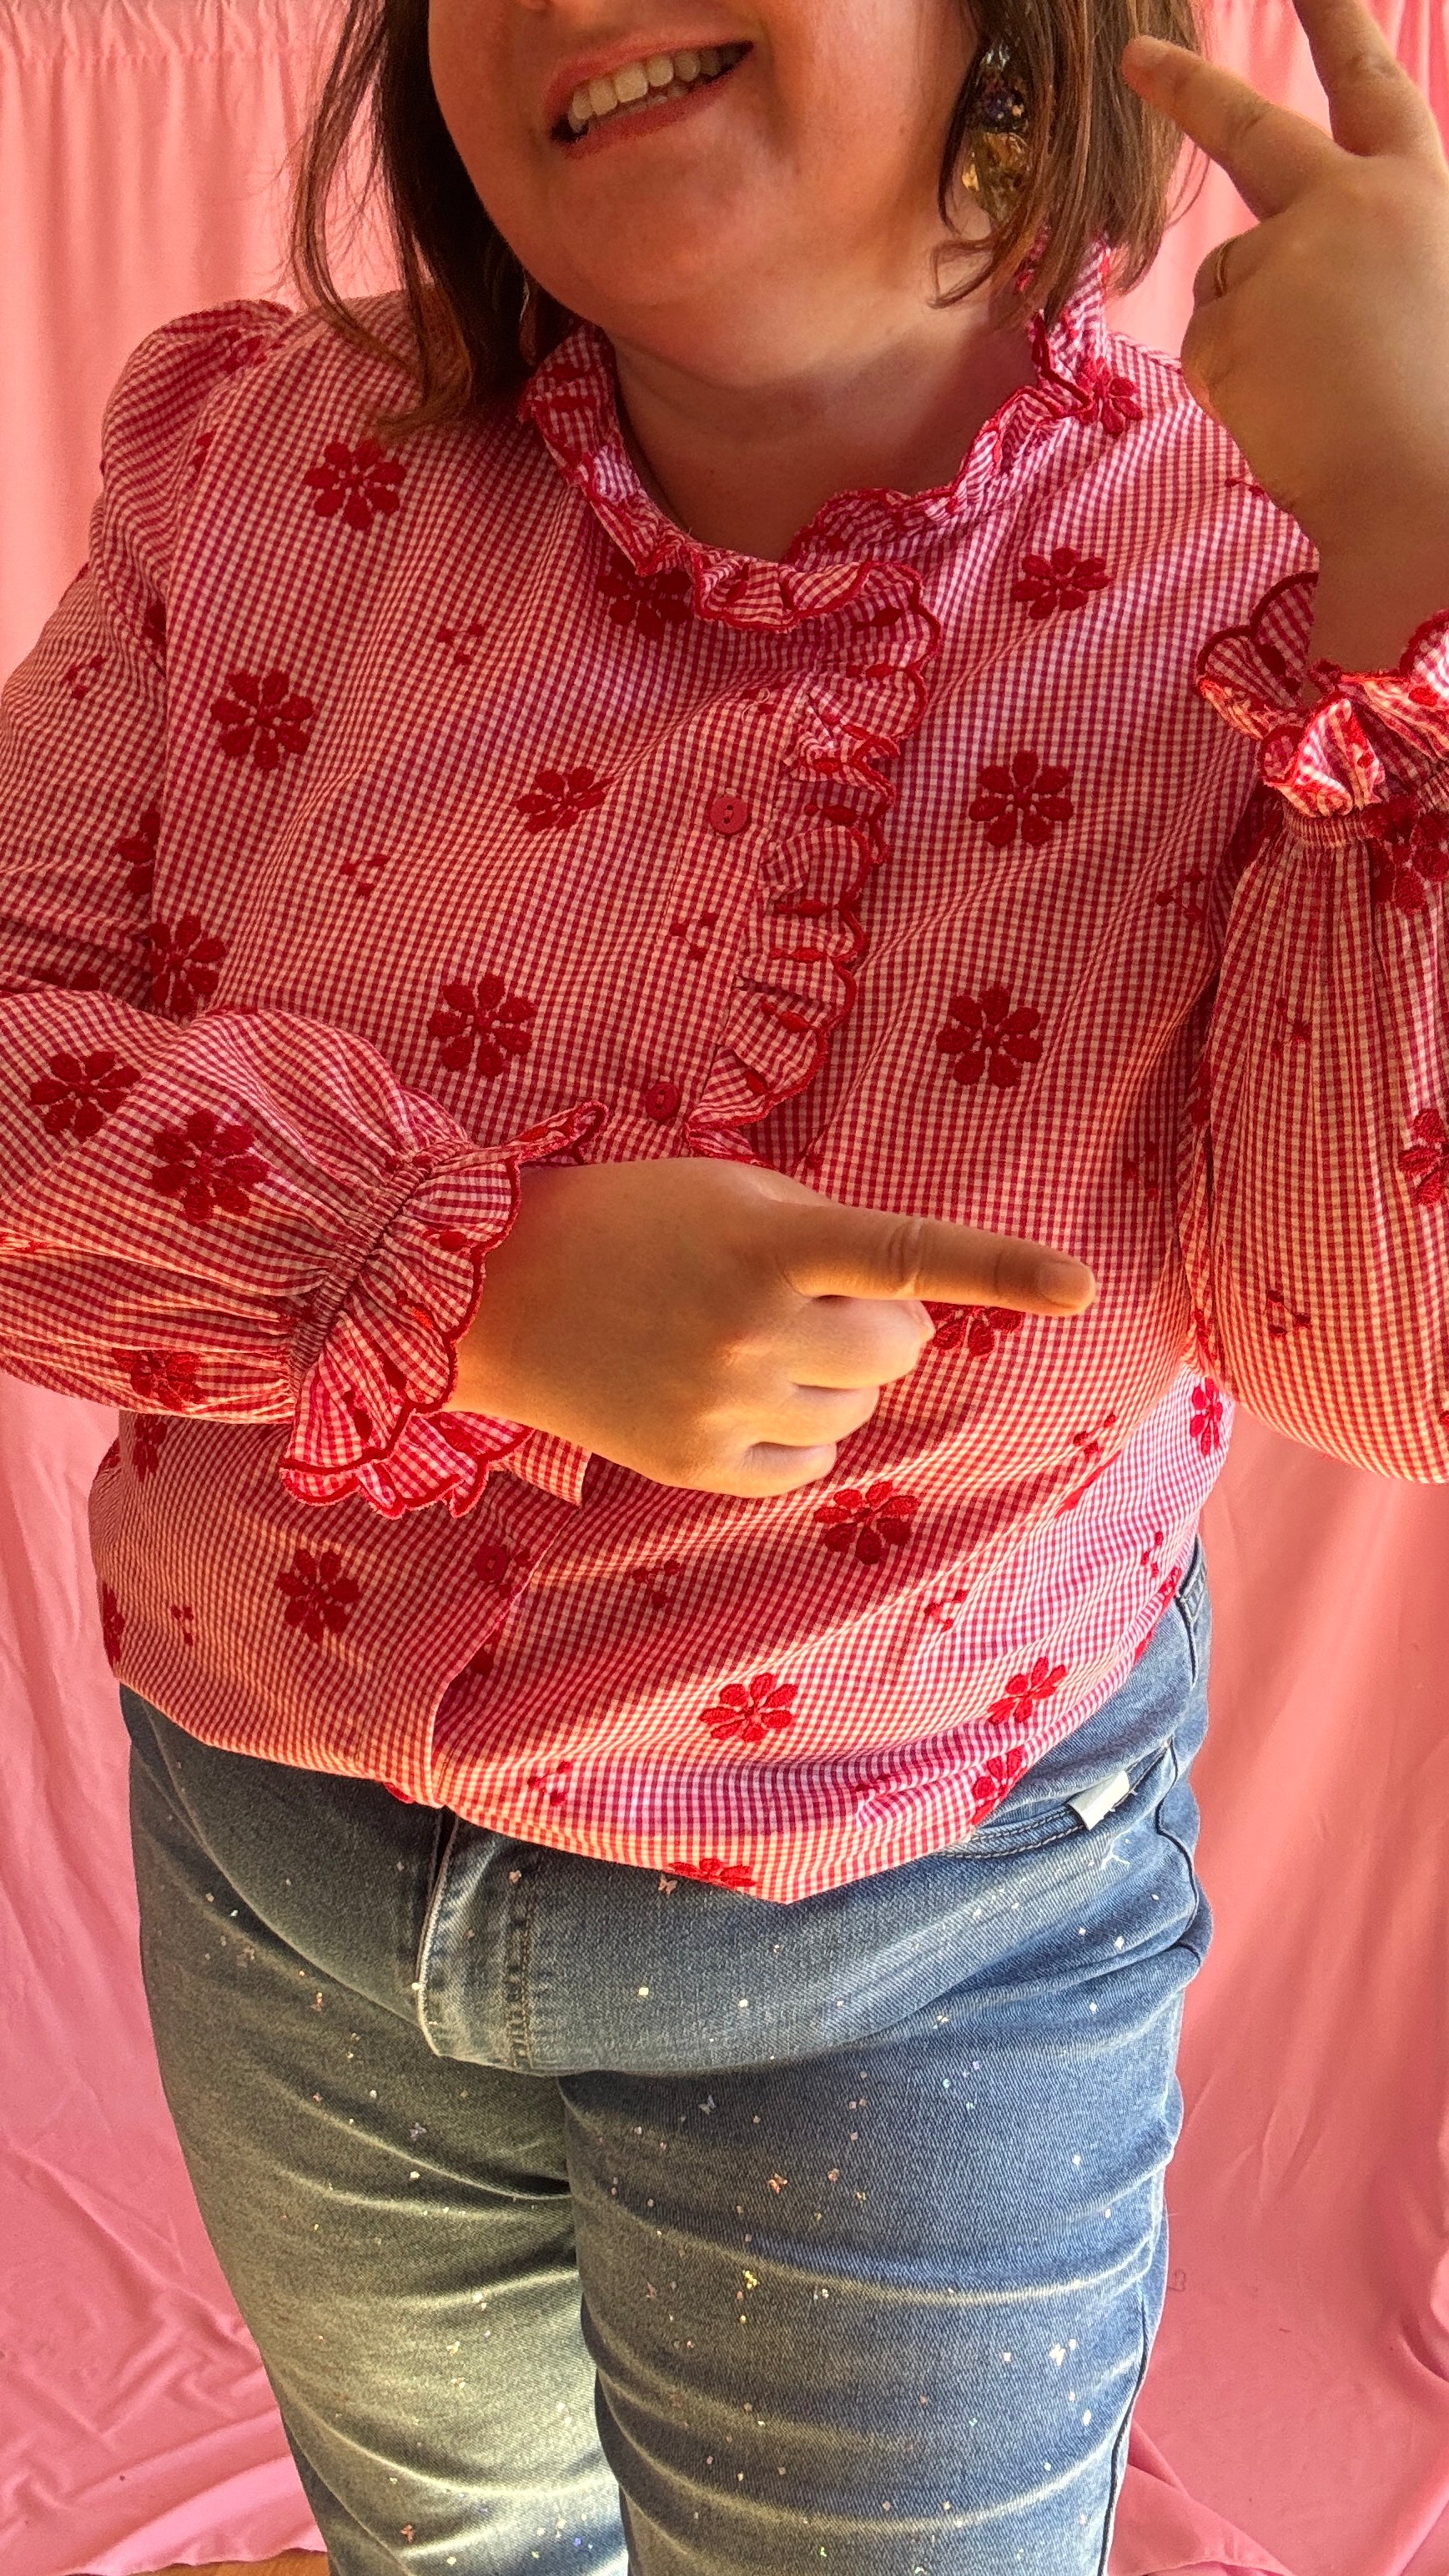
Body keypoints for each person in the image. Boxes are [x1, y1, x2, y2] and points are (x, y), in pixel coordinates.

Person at [2, 0, 1446, 2564]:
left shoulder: (1277, 577)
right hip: (274, 1869)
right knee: (438, 2541)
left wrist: (1429, 582)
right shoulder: (250, 471)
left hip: (917, 1935)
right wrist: (443, 1265)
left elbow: (1392, 1352)